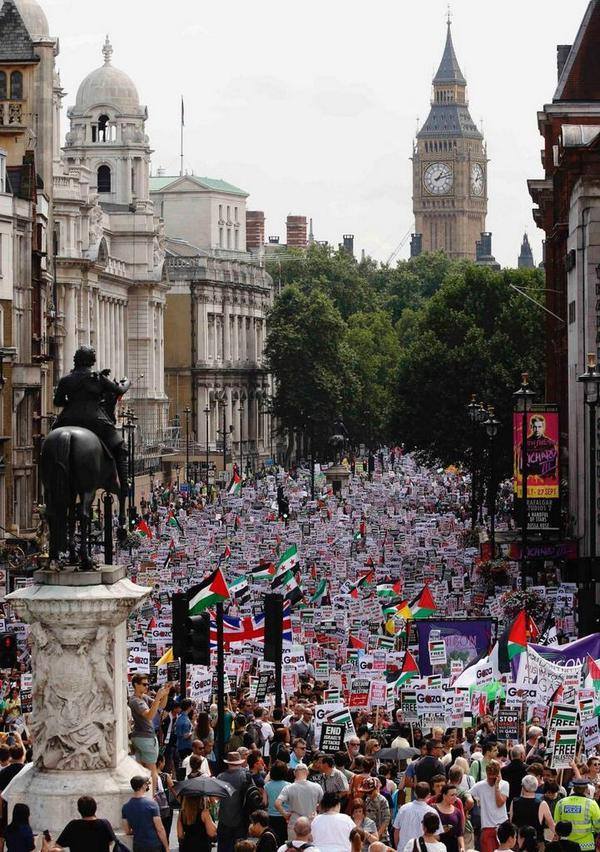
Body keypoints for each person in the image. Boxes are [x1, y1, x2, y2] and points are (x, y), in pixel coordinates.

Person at [52, 345, 131, 501]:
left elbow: (58, 401)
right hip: (94, 420)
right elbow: (119, 390)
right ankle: (124, 486)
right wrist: (127, 382)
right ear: (91, 361)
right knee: (119, 446)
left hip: (67, 419)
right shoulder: (97, 378)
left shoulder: (65, 380)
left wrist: (71, 400)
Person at [128, 675, 170, 791]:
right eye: (144, 684)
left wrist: (165, 694)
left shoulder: (143, 698)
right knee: (153, 772)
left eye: (147, 684)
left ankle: (144, 795)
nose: (147, 686)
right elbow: (150, 715)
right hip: (145, 738)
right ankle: (152, 798)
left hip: (141, 738)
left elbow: (161, 705)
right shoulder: (135, 701)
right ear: (136, 685)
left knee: (142, 771)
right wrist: (157, 698)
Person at [216, 751, 254, 852]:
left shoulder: (220, 777)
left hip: (224, 819)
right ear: (240, 762)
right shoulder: (246, 776)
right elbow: (252, 794)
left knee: (223, 847)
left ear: (228, 763)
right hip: (241, 818)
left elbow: (216, 798)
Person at [275, 763, 323, 839]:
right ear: (307, 772)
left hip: (294, 823)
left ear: (294, 773)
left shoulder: (288, 788)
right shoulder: (317, 787)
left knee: (293, 848)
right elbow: (323, 805)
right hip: (311, 822)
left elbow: (277, 804)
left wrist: (285, 815)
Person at [122, 775, 169, 852]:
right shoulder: (152, 804)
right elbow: (160, 829)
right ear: (143, 786)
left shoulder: (125, 807)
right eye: (147, 784)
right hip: (153, 844)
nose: (147, 785)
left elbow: (127, 831)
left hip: (138, 845)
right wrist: (166, 847)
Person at [469, 760, 509, 852]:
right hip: (487, 827)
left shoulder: (505, 784)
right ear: (486, 774)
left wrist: (497, 786)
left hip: (502, 827)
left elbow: (500, 803)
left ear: (498, 774)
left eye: (493, 778)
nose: (491, 780)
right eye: (489, 777)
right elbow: (466, 795)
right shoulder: (479, 785)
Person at [553, 778, 600, 851]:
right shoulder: (592, 804)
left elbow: (557, 823)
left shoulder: (561, 803)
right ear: (586, 789)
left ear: (573, 789)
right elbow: (598, 825)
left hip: (565, 846)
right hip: (586, 846)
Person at [509, 774, 555, 842]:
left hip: (518, 843)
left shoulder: (514, 802)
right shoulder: (542, 804)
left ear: (523, 787)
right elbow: (551, 825)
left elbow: (511, 821)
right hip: (536, 843)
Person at [393, 783, 437, 852]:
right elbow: (436, 835)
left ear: (414, 793)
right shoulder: (432, 812)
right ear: (429, 795)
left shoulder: (403, 808)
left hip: (404, 849)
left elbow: (396, 831)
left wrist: (398, 847)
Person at [431, 785, 464, 852]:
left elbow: (459, 834)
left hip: (453, 847)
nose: (455, 798)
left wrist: (462, 847)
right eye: (452, 795)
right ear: (444, 795)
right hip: (437, 847)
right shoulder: (433, 809)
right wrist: (441, 830)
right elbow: (427, 831)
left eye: (456, 795)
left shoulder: (457, 812)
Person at [265, 760, 291, 845]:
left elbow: (264, 802)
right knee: (284, 841)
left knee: (273, 841)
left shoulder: (267, 786)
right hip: (285, 816)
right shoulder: (289, 786)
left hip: (271, 816)